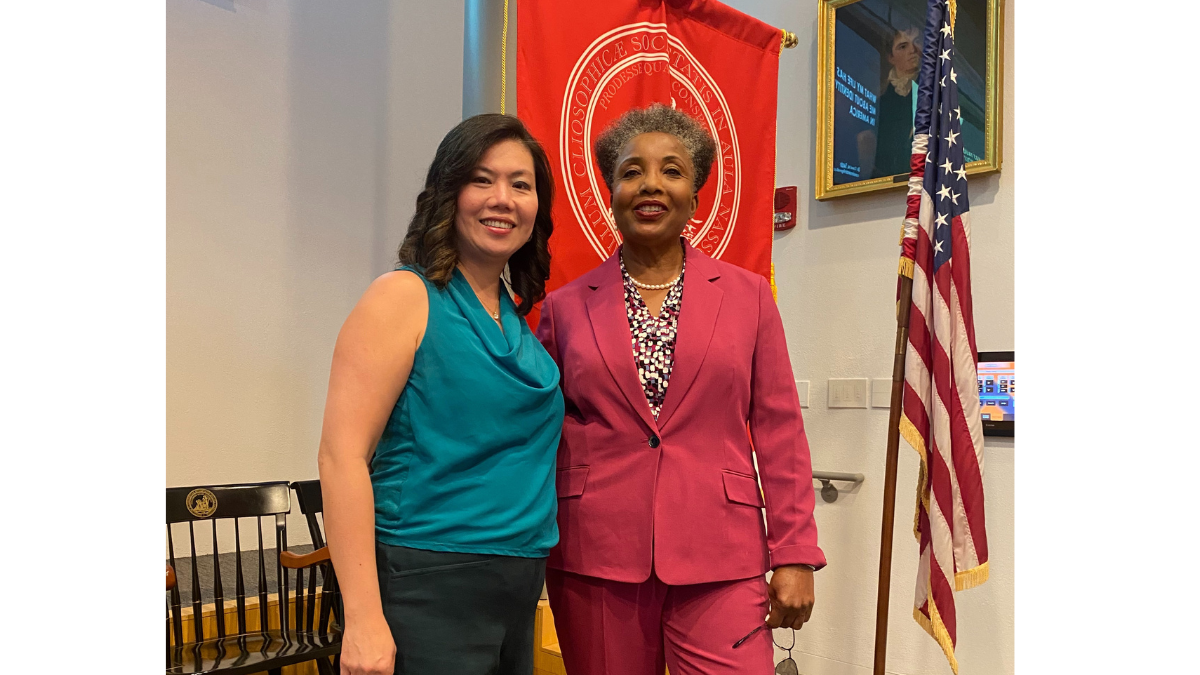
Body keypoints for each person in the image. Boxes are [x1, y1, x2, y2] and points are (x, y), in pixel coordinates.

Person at [535, 103, 826, 675]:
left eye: (671, 170)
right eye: (631, 171)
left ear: (695, 196)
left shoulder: (748, 297)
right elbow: (539, 433)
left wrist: (794, 553)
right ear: (611, 193)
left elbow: (780, 431)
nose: (650, 184)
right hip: (596, 556)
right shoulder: (565, 307)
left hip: (723, 554)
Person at [317, 113, 564, 675]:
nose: (502, 199)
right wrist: (363, 620)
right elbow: (340, 457)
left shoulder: (514, 319)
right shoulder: (403, 297)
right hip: (427, 584)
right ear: (449, 193)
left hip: (517, 585)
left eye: (520, 185)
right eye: (482, 180)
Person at [870, 26, 922, 178]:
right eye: (903, 46)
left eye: (916, 42)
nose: (912, 50)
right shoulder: (881, 101)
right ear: (891, 58)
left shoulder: (934, 88)